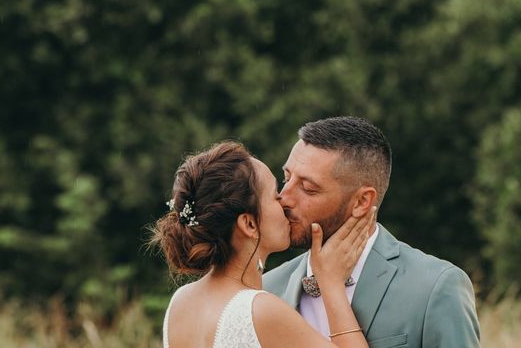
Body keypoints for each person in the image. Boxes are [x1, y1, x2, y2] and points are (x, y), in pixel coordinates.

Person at [263, 116, 481, 347]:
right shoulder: (266, 290)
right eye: (286, 179)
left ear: (361, 202)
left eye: (308, 188)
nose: (283, 198)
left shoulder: (435, 287)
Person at [151, 140, 377, 348]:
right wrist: (331, 284)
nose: (285, 201)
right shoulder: (260, 310)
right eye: (274, 195)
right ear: (249, 224)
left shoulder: (181, 302)